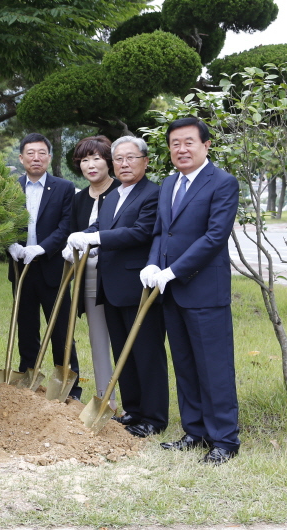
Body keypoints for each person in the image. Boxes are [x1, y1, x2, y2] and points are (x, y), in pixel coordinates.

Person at [141, 117, 240, 464]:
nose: (181, 149)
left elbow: (214, 237)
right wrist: (154, 264)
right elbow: (160, 233)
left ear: (206, 145)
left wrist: (173, 271)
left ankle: (225, 440)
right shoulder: (169, 184)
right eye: (174, 144)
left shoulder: (223, 183)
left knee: (213, 367)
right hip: (170, 290)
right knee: (184, 364)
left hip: (204, 292)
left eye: (188, 142)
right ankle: (195, 432)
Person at [67, 135, 168, 439]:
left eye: (131, 158)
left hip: (139, 285)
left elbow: (140, 232)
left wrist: (95, 240)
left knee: (146, 353)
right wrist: (82, 236)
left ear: (145, 161)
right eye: (119, 159)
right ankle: (134, 410)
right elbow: (102, 227)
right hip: (110, 286)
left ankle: (153, 417)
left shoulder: (153, 194)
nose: (124, 164)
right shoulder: (111, 196)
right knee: (124, 352)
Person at [7, 133, 82, 401]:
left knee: (61, 329)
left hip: (53, 269)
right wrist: (10, 244)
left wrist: (42, 248)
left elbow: (66, 226)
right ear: (21, 157)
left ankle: (69, 388)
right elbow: (3, 221)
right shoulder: (11, 187)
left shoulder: (64, 188)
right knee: (26, 326)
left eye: (41, 153)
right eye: (30, 153)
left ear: (49, 158)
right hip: (21, 269)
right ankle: (27, 380)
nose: (36, 158)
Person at [62, 136, 118, 411]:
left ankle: (135, 402)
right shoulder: (79, 198)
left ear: (109, 160)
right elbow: (72, 233)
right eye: (84, 160)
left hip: (119, 278)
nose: (90, 165)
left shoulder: (123, 191)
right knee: (98, 341)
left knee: (123, 341)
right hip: (89, 277)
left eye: (96, 158)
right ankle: (106, 401)